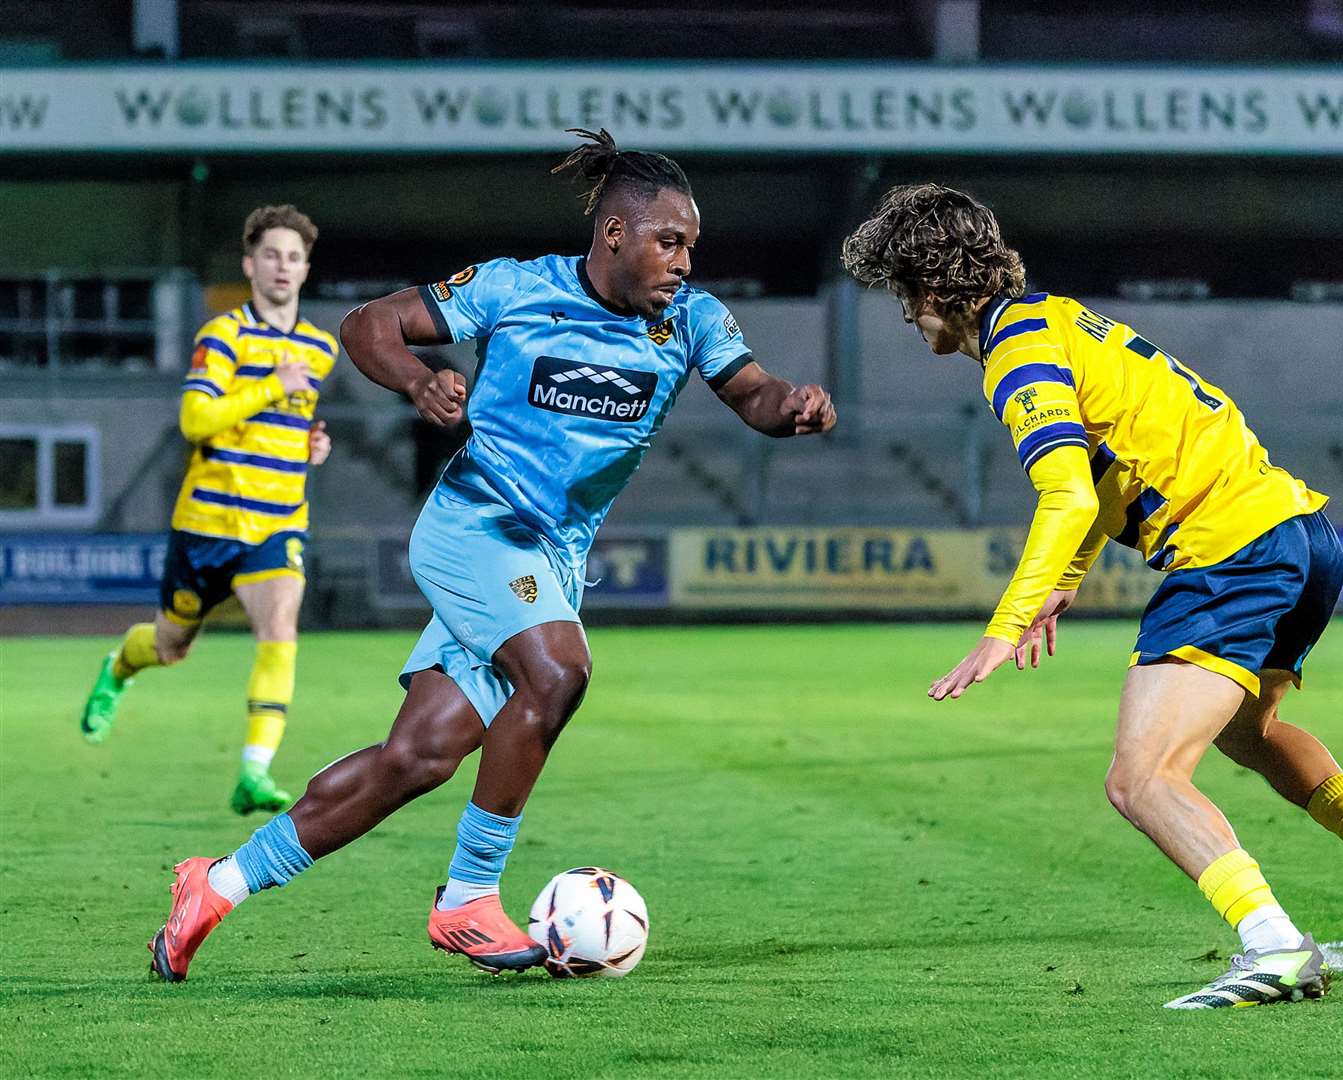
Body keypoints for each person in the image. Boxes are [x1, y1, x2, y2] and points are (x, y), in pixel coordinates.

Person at [146, 129, 837, 982]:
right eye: (670, 241)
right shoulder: (517, 288)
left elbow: (753, 394)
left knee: (418, 758)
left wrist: (793, 406)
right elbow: (370, 325)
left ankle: (213, 885)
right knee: (559, 675)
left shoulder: (691, 322)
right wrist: (415, 380)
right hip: (474, 525)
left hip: (546, 562)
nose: (685, 261)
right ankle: (467, 899)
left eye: (692, 244)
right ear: (615, 234)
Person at [841, 184, 1343, 1009]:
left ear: (937, 290)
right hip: (1301, 535)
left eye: (906, 298)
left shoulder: (1017, 357)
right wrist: (1062, 583)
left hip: (1229, 550)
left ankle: (1275, 946)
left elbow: (1069, 497)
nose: (908, 318)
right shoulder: (1054, 317)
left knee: (1140, 778)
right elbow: (1107, 474)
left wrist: (1005, 623)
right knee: (1249, 733)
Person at [80, 205, 335, 816]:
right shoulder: (222, 336)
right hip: (207, 524)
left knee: (280, 631)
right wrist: (273, 383)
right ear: (250, 265)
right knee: (171, 645)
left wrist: (310, 446)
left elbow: (285, 424)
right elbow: (196, 420)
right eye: (271, 255)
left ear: (304, 270)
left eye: (294, 257)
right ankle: (119, 665)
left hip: (277, 522)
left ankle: (255, 771)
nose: (283, 266)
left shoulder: (319, 348)